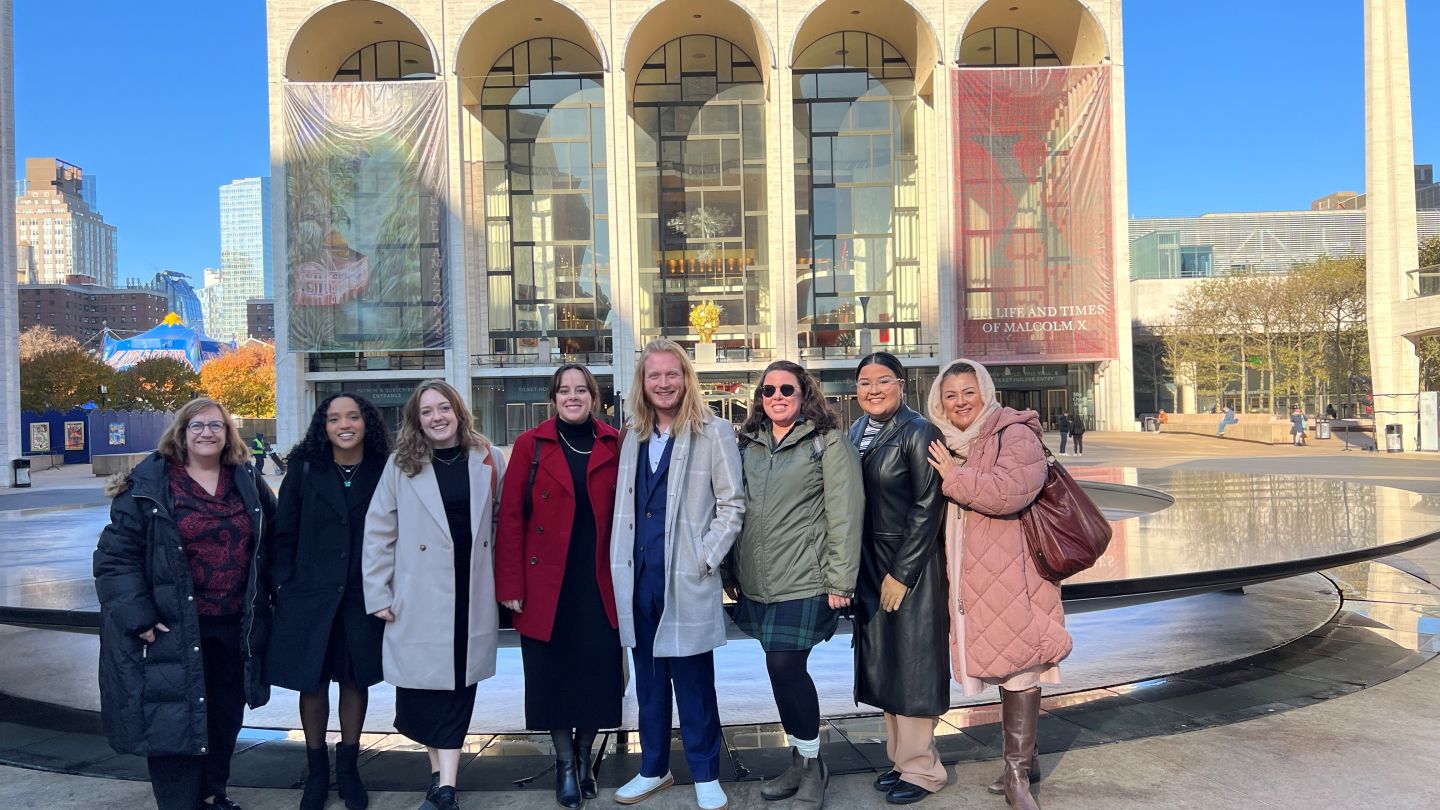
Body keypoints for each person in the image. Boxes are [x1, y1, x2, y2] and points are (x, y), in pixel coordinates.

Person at [94, 397, 276, 810]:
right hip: (173, 626)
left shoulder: (244, 479)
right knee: (173, 719)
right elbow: (115, 556)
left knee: (223, 715)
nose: (207, 433)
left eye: (216, 425)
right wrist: (137, 614)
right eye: (197, 425)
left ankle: (213, 794)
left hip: (233, 624)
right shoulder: (149, 485)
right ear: (181, 432)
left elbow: (273, 536)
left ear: (229, 434)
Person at [925, 360, 1072, 810]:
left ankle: (1016, 776)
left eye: (968, 392)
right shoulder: (948, 442)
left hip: (1016, 570)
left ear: (985, 393)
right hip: (975, 573)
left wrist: (953, 476)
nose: (959, 402)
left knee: (1020, 663)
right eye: (950, 395)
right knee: (1006, 658)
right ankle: (1028, 759)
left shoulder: (1014, 432)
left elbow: (1010, 491)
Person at [609, 340, 744, 810]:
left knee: (693, 684)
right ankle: (653, 768)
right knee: (647, 684)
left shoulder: (714, 431)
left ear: (686, 379)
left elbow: (732, 504)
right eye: (654, 376)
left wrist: (705, 558)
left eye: (672, 374)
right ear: (642, 384)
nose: (663, 383)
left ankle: (706, 773)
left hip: (685, 579)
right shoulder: (631, 436)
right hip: (639, 579)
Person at [724, 360, 863, 810]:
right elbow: (732, 511)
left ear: (804, 394)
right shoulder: (747, 444)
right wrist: (731, 571)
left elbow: (845, 515)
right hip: (758, 582)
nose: (777, 397)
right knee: (777, 671)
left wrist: (841, 580)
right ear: (759, 398)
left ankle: (813, 765)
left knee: (787, 667)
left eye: (787, 389)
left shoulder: (827, 443)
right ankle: (801, 760)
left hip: (806, 579)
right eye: (769, 391)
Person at [363, 380, 505, 810]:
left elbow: (502, 521)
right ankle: (439, 780)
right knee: (424, 692)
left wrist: (506, 583)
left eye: (444, 407)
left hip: (472, 588)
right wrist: (378, 592)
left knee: (460, 687)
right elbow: (378, 531)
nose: (437, 417)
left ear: (459, 411)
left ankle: (446, 785)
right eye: (427, 411)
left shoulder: (488, 457)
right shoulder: (400, 465)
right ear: (416, 420)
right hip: (420, 592)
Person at [496, 364, 623, 809]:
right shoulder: (531, 446)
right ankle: (566, 764)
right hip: (545, 584)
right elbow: (510, 519)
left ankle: (586, 756)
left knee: (597, 676)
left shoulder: (615, 442)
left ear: (594, 396)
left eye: (581, 390)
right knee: (552, 678)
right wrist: (510, 583)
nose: (573, 397)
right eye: (564, 390)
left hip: (599, 582)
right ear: (553, 398)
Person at [267, 393, 392, 810]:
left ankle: (350, 769)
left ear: (365, 423)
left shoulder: (384, 469)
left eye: (353, 417)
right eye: (334, 418)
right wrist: (285, 584)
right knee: (313, 681)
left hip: (361, 594)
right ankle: (317, 771)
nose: (344, 424)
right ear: (323, 426)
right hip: (310, 595)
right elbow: (283, 531)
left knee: (355, 680)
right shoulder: (305, 469)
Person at [847, 352, 950, 805]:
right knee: (886, 665)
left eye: (882, 381)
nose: (873, 389)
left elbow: (929, 506)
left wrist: (902, 574)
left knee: (911, 667)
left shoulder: (920, 431)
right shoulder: (856, 431)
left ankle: (924, 770)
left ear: (902, 385)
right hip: (871, 565)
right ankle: (901, 761)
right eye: (864, 382)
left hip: (910, 567)